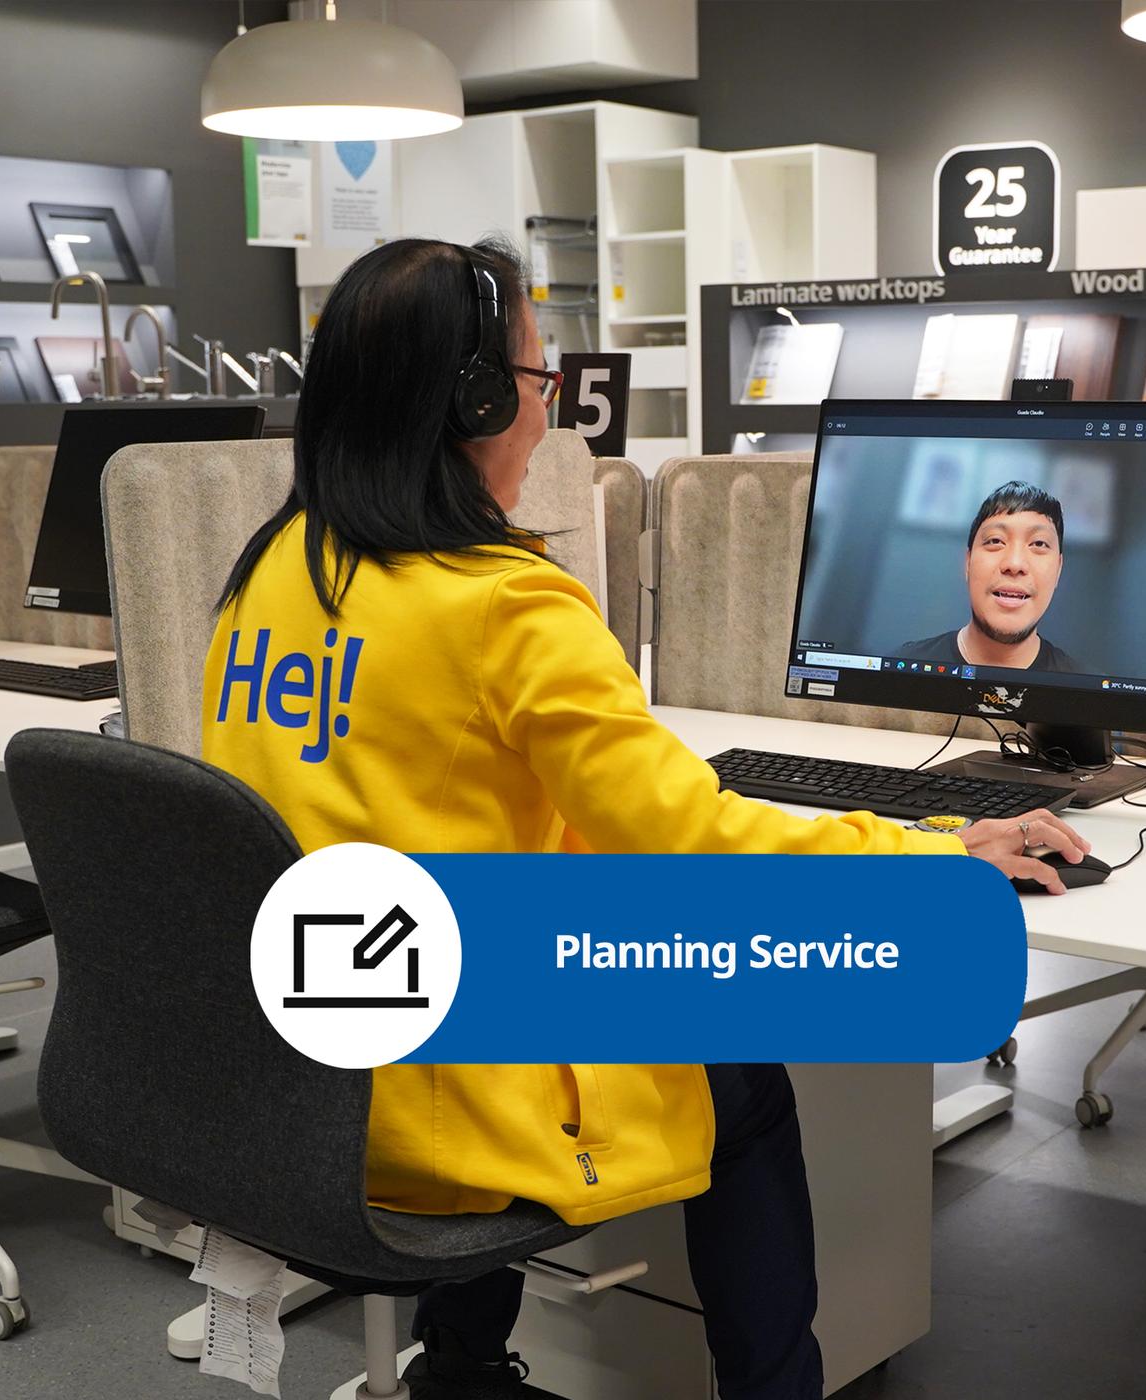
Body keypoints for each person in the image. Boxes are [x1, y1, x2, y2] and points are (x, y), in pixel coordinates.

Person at [200, 238, 1090, 1400]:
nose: (546, 417)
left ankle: (461, 1363)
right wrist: (935, 851)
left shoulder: (274, 571)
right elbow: (697, 840)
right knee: (746, 1074)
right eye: (537, 385)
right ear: (472, 403)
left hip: (305, 1062)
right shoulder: (504, 606)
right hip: (433, 1100)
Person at [898, 480, 1086, 673]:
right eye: (995, 540)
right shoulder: (902, 670)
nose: (1014, 564)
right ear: (968, 562)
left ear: (1058, 570)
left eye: (1038, 544)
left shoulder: (1087, 694)